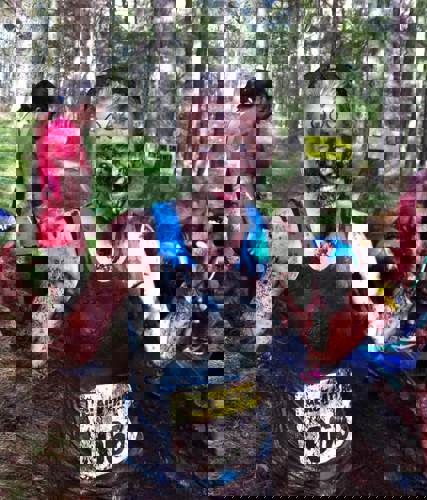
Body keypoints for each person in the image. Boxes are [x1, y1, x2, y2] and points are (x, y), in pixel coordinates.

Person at [43, 72, 273, 496]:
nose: (227, 161)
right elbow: (81, 351)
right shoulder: (145, 228)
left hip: (235, 463)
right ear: (188, 152)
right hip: (159, 464)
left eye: (237, 146)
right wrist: (111, 285)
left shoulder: (260, 234)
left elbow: (269, 340)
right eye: (211, 146)